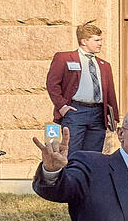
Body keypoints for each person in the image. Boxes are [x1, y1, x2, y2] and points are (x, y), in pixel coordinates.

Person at [46, 21, 119, 154]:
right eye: (96, 40)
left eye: (101, 40)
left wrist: (114, 116)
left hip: (98, 113)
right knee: (72, 152)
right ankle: (72, 175)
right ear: (84, 41)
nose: (100, 43)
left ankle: (89, 175)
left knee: (94, 155)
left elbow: (110, 93)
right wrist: (62, 107)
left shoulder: (104, 65)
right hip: (76, 110)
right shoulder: (64, 58)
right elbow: (52, 84)